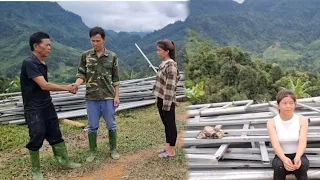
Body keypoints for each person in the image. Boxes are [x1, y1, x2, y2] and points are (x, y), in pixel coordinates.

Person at [20, 32, 81, 180]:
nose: (49, 48)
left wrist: (67, 87)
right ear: (36, 46)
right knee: (37, 134)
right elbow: (44, 85)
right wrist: (67, 87)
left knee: (55, 132)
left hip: (46, 104)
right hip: (34, 107)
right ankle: (36, 170)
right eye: (46, 45)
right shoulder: (29, 63)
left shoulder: (42, 62)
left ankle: (64, 160)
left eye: (50, 45)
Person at [74, 27, 120, 161]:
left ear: (104, 40)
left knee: (111, 124)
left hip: (108, 96)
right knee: (92, 125)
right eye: (92, 41)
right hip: (91, 97)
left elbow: (116, 79)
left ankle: (113, 149)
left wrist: (116, 96)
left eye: (98, 41)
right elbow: (81, 74)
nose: (95, 43)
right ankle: (92, 151)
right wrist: (76, 84)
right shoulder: (85, 55)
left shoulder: (112, 56)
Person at [267, 90, 309, 180]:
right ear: (278, 105)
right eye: (284, 103)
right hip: (281, 156)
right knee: (279, 167)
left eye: (291, 103)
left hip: (299, 155)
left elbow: (302, 142)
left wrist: (297, 157)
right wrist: (284, 159)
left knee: (302, 167)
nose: (288, 106)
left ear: (295, 104)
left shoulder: (302, 120)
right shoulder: (272, 122)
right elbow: (275, 144)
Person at [153, 39, 180, 158]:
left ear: (167, 51)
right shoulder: (163, 64)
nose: (157, 52)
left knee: (170, 124)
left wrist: (166, 104)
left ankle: (172, 151)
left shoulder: (171, 67)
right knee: (166, 124)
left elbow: (170, 87)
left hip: (166, 100)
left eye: (159, 50)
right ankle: (168, 146)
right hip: (161, 98)